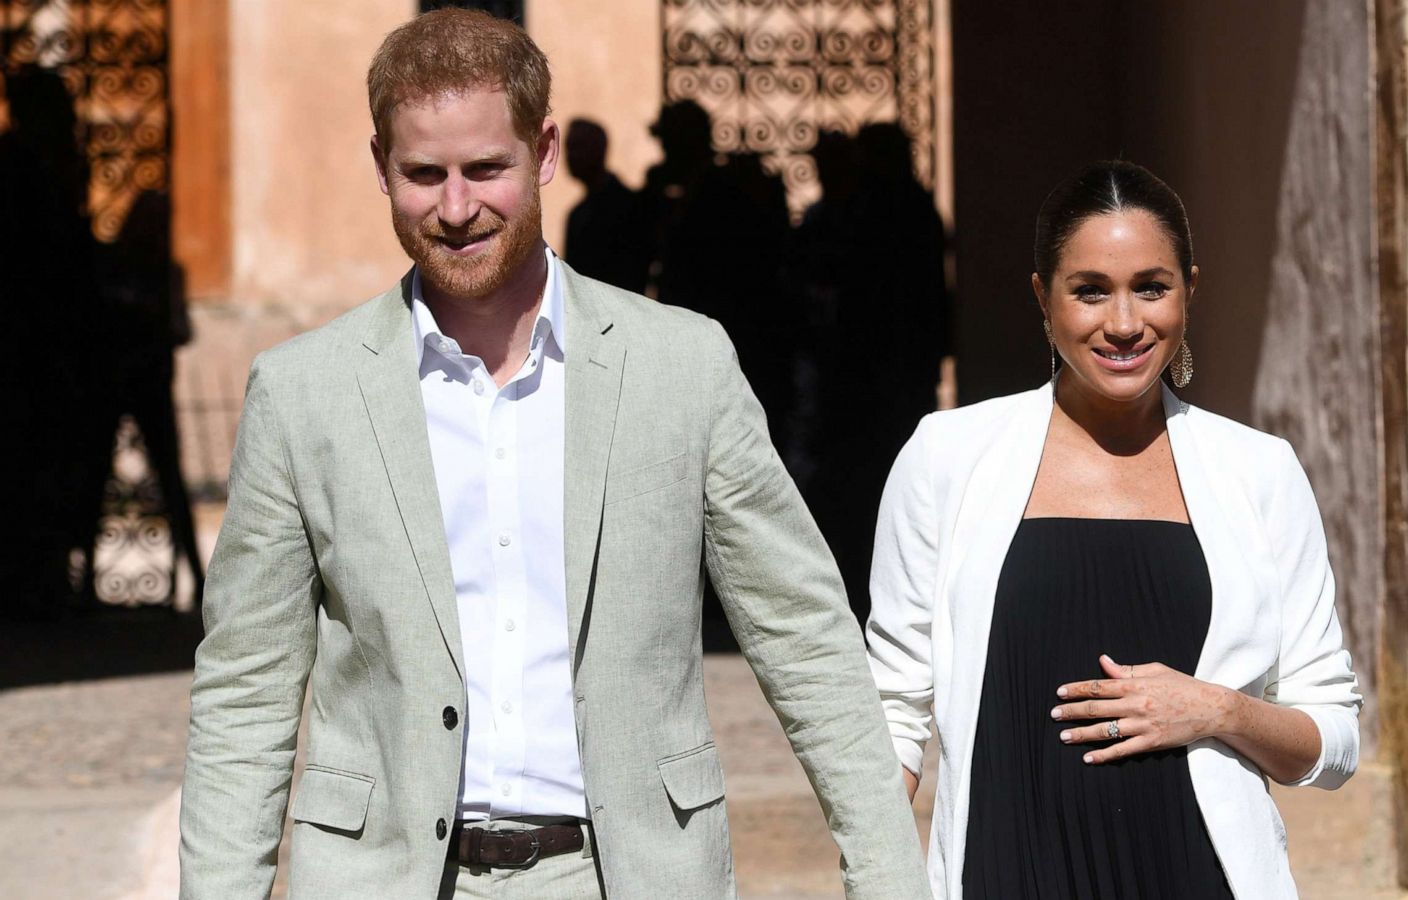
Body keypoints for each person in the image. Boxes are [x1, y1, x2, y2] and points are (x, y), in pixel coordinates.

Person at [179, 10, 930, 899]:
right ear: (380, 166)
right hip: (383, 877)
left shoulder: (680, 366)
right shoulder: (304, 393)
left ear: (544, 153)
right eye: (424, 174)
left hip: (632, 874)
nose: (456, 209)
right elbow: (245, 691)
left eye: (486, 169)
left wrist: (889, 874)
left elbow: (804, 634)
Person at [866, 160, 1361, 899]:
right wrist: (872, 872)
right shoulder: (947, 457)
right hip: (1007, 874)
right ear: (1043, 297)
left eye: (1152, 288)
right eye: (1090, 290)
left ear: (1190, 290)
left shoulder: (1260, 471)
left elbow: (1333, 740)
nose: (1125, 323)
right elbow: (893, 706)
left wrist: (1217, 708)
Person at [562, 118, 648, 294]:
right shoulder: (577, 213)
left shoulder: (628, 206)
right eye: (569, 148)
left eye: (578, 147)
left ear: (598, 150)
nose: (571, 156)